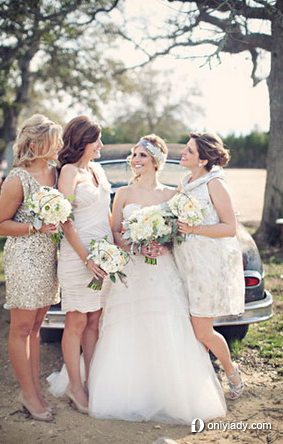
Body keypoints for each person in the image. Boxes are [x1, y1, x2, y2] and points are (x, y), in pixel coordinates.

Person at [87, 134, 227, 423]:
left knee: (164, 323)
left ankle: (169, 393)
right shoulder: (123, 193)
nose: (135, 160)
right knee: (127, 326)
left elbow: (178, 232)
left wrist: (163, 245)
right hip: (132, 270)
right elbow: (115, 231)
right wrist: (134, 244)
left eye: (142, 155)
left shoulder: (171, 195)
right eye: (134, 154)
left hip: (162, 270)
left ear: (156, 162)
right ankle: (129, 392)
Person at [0, 114, 62, 422]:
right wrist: (36, 226)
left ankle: (34, 388)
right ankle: (27, 393)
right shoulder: (17, 179)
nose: (59, 145)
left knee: (37, 327)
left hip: (49, 257)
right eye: (55, 139)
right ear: (37, 143)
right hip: (23, 256)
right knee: (21, 328)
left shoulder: (56, 172)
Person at [174, 132, 245, 400]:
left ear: (203, 159)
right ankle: (199, 386)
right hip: (184, 263)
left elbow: (230, 227)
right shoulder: (186, 181)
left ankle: (231, 371)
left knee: (203, 330)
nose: (183, 152)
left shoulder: (215, 183)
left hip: (206, 265)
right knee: (192, 330)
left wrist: (195, 228)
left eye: (189, 151)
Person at [49, 116, 112, 414]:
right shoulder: (69, 172)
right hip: (78, 258)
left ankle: (93, 380)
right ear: (82, 141)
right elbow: (66, 219)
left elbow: (107, 213)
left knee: (94, 321)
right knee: (75, 321)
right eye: (96, 139)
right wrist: (86, 258)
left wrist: (115, 250)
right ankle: (75, 386)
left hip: (104, 257)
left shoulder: (98, 169)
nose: (101, 145)